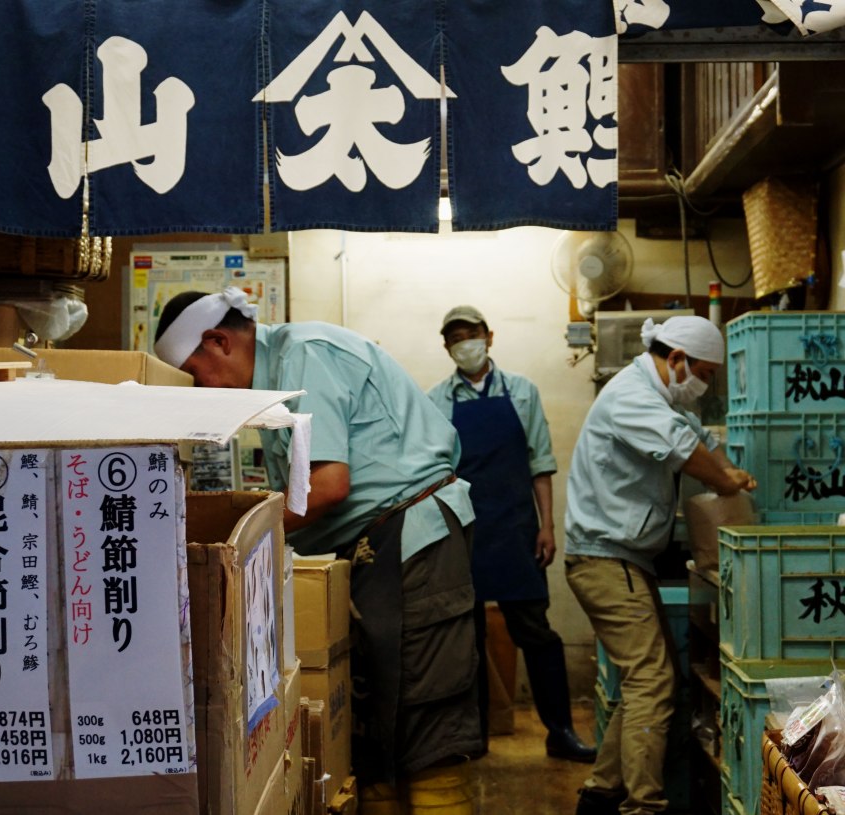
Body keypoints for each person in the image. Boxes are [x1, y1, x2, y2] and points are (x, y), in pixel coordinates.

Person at [154, 288, 482, 815]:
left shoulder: (302, 354)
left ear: (219, 341)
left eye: (196, 374)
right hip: (373, 543)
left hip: (413, 535)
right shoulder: (273, 388)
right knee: (375, 721)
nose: (203, 390)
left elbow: (327, 486)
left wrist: (234, 544)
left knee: (425, 719)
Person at [564, 315, 757, 815]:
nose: (705, 385)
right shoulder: (631, 395)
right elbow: (686, 451)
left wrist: (730, 467)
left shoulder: (658, 396)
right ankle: (643, 806)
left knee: (647, 679)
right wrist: (726, 482)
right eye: (706, 373)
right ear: (675, 359)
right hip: (605, 559)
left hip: (623, 559)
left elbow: (700, 440)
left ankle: (602, 794)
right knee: (653, 682)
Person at [427, 305, 596, 763]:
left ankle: (560, 731)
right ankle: (471, 738)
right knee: (466, 641)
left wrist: (546, 525)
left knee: (536, 633)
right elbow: (434, 474)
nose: (466, 343)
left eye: (472, 333)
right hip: (462, 533)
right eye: (456, 337)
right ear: (446, 347)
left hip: (518, 530)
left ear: (490, 336)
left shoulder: (522, 392)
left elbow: (540, 465)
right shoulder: (436, 401)